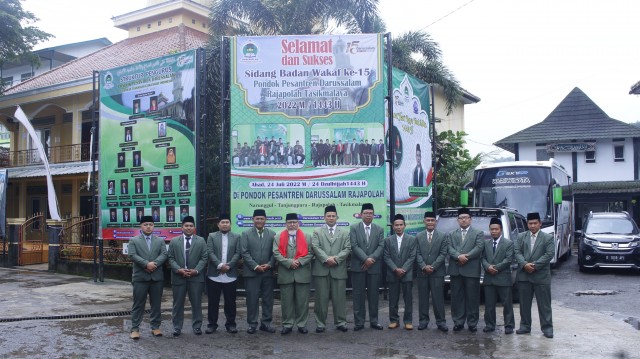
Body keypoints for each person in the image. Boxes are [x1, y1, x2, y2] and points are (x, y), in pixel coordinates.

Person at [514, 212, 554, 339]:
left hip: (541, 276)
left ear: (540, 224)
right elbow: (517, 252)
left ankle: (547, 328)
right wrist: (525, 264)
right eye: (530, 223)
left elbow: (549, 254)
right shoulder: (521, 237)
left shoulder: (547, 238)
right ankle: (525, 326)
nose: (532, 226)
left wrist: (535, 265)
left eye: (535, 223)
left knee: (544, 304)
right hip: (524, 275)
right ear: (527, 224)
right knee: (524, 304)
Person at [311, 205, 351, 333]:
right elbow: (315, 247)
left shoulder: (344, 233)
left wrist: (336, 259)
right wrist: (326, 259)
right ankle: (320, 324)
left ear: (337, 217)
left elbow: (347, 249)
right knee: (321, 299)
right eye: (328, 216)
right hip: (322, 269)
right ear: (324, 218)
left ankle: (341, 322)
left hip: (338, 269)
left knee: (339, 299)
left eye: (333, 216)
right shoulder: (317, 232)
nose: (331, 218)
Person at [127, 215, 168, 339]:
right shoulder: (134, 240)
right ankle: (135, 328)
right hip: (140, 277)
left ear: (153, 226)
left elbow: (164, 254)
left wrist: (154, 264)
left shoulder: (160, 240)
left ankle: (155, 327)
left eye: (150, 224)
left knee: (156, 304)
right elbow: (132, 255)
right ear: (141, 226)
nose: (148, 227)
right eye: (146, 224)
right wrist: (146, 264)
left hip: (156, 277)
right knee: (138, 304)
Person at [273, 213, 313, 335]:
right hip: (286, 273)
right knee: (286, 302)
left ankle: (302, 324)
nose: (292, 224)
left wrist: (299, 262)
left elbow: (311, 253)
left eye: (294, 222)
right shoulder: (278, 236)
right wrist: (289, 262)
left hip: (302, 273)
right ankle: (287, 324)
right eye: (289, 222)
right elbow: (276, 253)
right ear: (286, 224)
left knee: (302, 301)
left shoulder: (307, 236)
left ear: (298, 223)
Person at [167, 216, 208, 337]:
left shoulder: (201, 241)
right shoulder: (174, 241)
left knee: (196, 303)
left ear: (194, 228)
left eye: (191, 226)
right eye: (186, 226)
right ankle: (177, 327)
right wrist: (178, 270)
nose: (189, 228)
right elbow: (170, 258)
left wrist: (196, 270)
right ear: (182, 227)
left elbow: (204, 258)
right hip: (178, 277)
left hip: (196, 277)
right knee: (178, 303)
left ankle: (197, 326)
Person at [240, 209, 276, 334]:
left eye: (262, 218)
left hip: (267, 272)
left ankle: (266, 323)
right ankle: (252, 324)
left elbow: (275, 253)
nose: (259, 221)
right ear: (253, 219)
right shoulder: (245, 234)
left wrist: (270, 264)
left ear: (265, 220)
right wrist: (255, 266)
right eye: (257, 218)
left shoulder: (272, 234)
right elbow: (244, 252)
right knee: (252, 299)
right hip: (252, 273)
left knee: (268, 299)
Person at [448, 207, 484, 332]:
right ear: (457, 220)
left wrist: (466, 256)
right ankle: (458, 321)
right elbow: (449, 248)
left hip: (471, 269)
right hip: (456, 269)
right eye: (461, 218)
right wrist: (458, 256)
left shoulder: (478, 233)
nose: (463, 220)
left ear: (470, 219)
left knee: (472, 298)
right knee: (457, 297)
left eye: (466, 218)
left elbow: (479, 247)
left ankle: (472, 323)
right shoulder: (452, 234)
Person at [349, 203, 384, 331]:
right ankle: (359, 322)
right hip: (358, 266)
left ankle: (374, 321)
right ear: (361, 214)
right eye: (366, 213)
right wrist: (365, 259)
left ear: (373, 215)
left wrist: (371, 259)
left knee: (374, 295)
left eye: (370, 213)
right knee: (358, 295)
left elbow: (381, 246)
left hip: (374, 267)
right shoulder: (354, 228)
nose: (368, 215)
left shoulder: (379, 229)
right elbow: (354, 245)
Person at [206, 214, 241, 334]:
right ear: (218, 224)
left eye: (227, 222)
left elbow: (238, 253)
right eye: (222, 222)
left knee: (230, 302)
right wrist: (220, 265)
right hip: (214, 275)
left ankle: (231, 324)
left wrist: (229, 265)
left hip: (230, 275)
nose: (225, 224)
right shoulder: (211, 236)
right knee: (213, 301)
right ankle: (212, 324)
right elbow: (209, 252)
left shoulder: (237, 237)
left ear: (230, 224)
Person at [415, 211, 449, 332]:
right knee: (423, 298)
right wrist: (424, 266)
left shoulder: (443, 236)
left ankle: (441, 322)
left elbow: (443, 253)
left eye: (432, 220)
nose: (430, 222)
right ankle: (423, 321)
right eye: (428, 220)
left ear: (435, 222)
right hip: (422, 272)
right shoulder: (418, 236)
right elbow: (417, 253)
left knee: (438, 298)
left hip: (437, 272)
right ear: (424, 221)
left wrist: (433, 266)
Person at [482, 217, 515, 334]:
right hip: (489, 278)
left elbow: (508, 259)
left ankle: (509, 325)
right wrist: (487, 267)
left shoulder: (508, 243)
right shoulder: (486, 243)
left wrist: (496, 268)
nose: (494, 231)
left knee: (507, 304)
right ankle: (490, 325)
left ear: (501, 229)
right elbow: (483, 258)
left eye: (496, 229)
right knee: (489, 304)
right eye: (492, 229)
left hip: (503, 278)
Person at [383, 213, 417, 330]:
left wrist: (404, 269)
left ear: (404, 226)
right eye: (396, 225)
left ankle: (408, 321)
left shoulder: (412, 239)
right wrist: (395, 269)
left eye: (401, 225)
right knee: (393, 298)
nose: (398, 227)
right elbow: (386, 257)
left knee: (408, 299)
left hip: (406, 274)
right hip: (393, 273)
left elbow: (412, 256)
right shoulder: (387, 240)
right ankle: (394, 320)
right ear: (393, 226)